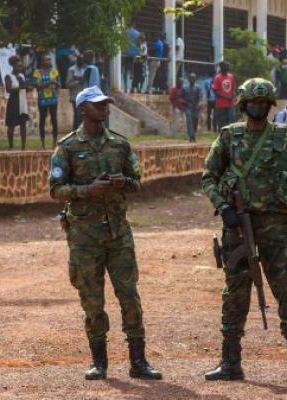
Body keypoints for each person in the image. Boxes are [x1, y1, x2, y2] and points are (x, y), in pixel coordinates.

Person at [202, 78, 287, 384]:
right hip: (239, 229)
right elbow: (209, 176)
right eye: (253, 103)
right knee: (234, 294)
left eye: (263, 103)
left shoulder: (285, 137)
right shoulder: (229, 137)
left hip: (278, 228)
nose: (257, 107)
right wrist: (224, 207)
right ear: (243, 105)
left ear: (270, 106)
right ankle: (230, 362)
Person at [49, 85, 162, 381]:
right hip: (84, 238)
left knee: (129, 297)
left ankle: (138, 361)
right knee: (92, 300)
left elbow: (137, 183)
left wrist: (121, 182)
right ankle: (99, 362)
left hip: (118, 235)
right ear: (83, 109)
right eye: (98, 105)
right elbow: (55, 190)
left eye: (106, 104)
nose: (105, 109)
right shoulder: (68, 147)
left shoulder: (120, 145)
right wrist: (89, 189)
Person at [32, 55, 61, 148]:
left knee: (54, 121)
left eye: (50, 59)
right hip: (42, 99)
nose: (49, 61)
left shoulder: (54, 71)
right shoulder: (37, 72)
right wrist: (48, 83)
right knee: (42, 120)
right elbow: (36, 85)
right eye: (47, 59)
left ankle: (54, 142)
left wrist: (56, 84)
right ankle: (43, 143)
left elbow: (59, 84)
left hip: (53, 98)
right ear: (42, 62)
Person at [4, 55, 29, 150]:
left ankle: (23, 147)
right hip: (14, 102)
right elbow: (9, 89)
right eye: (19, 66)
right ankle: (11, 146)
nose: (21, 68)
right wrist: (21, 88)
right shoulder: (8, 76)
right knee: (11, 124)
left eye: (21, 66)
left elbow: (25, 87)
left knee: (23, 124)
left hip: (22, 102)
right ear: (13, 66)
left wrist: (28, 88)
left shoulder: (22, 76)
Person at [213, 61, 236, 130]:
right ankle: (222, 135)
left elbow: (233, 88)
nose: (228, 67)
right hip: (221, 104)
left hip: (230, 103)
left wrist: (233, 95)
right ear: (222, 67)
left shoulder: (231, 76)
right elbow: (215, 91)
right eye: (227, 65)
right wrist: (225, 97)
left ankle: (231, 134)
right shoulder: (217, 78)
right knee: (222, 121)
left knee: (232, 118)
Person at [66, 55, 86, 130]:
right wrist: (78, 82)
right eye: (80, 60)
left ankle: (81, 132)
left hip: (84, 97)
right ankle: (75, 131)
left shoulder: (84, 69)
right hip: (75, 97)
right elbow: (68, 84)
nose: (82, 62)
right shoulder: (71, 69)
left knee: (82, 116)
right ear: (77, 60)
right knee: (77, 116)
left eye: (83, 60)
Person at [182, 73, 202, 142]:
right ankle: (191, 136)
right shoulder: (185, 88)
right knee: (189, 121)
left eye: (193, 78)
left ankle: (193, 134)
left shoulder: (198, 88)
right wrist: (184, 102)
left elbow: (200, 97)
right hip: (188, 107)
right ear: (188, 79)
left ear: (196, 79)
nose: (192, 79)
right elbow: (181, 97)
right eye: (191, 78)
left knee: (195, 122)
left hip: (195, 107)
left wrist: (199, 104)